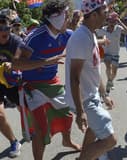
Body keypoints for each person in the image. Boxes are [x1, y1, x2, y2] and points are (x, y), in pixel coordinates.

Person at [21, 0, 81, 159]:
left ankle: (66, 141)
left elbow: (85, 43)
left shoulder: (66, 35)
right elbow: (18, 64)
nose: (68, 19)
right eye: (66, 16)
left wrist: (100, 42)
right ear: (56, 19)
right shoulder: (35, 37)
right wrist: (45, 62)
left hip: (52, 82)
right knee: (40, 129)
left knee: (67, 114)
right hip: (32, 87)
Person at [65, 0, 117, 159]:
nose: (107, 16)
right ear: (94, 15)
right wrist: (80, 112)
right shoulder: (81, 38)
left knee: (93, 129)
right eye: (104, 12)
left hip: (91, 96)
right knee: (110, 141)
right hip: (85, 99)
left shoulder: (90, 34)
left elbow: (94, 70)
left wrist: (104, 94)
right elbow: (74, 78)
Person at [0, 13, 23, 158]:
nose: (3, 31)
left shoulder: (16, 41)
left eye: (6, 27)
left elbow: (23, 60)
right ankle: (14, 142)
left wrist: (14, 64)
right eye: (0, 27)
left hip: (14, 81)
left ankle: (31, 127)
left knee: (24, 109)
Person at [96, 11, 127, 93]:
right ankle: (109, 81)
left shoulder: (118, 28)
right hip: (106, 53)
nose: (112, 23)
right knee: (109, 67)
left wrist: (120, 22)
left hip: (115, 53)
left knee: (114, 72)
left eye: (114, 21)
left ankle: (110, 81)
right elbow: (94, 32)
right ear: (107, 21)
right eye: (110, 21)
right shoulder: (103, 30)